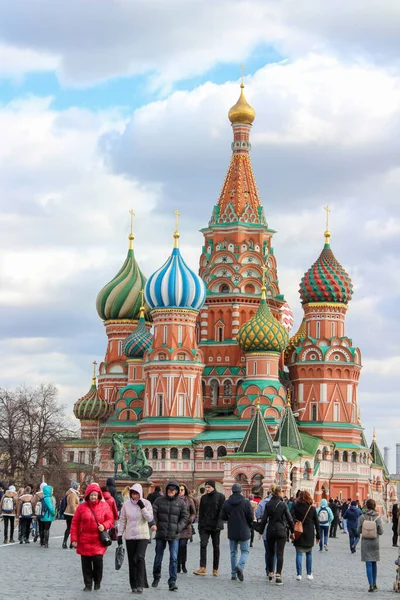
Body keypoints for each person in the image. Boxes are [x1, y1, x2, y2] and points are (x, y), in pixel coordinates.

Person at [70, 482, 114, 592]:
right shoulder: (82, 507)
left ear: (98, 495)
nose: (93, 497)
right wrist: (74, 539)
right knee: (86, 565)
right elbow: (75, 523)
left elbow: (110, 520)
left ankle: (97, 581)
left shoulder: (104, 506)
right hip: (84, 540)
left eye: (95, 495)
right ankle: (88, 584)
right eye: (91, 495)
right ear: (88, 495)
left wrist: (104, 526)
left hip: (98, 540)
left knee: (98, 562)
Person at [152, 481, 188, 592]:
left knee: (174, 558)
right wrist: (154, 523)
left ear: (176, 491)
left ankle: (172, 582)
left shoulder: (181, 503)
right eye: (169, 490)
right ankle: (156, 577)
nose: (171, 492)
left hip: (174, 534)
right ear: (167, 490)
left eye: (173, 490)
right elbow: (153, 514)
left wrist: (178, 528)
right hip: (161, 533)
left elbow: (184, 518)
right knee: (158, 558)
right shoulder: (159, 501)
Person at [118, 483, 155, 593]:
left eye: (136, 494)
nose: (135, 496)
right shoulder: (126, 505)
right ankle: (133, 584)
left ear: (140, 494)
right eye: (133, 494)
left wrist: (142, 507)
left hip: (143, 535)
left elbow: (149, 518)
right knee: (131, 560)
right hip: (130, 536)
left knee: (139, 558)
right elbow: (123, 520)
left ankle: (140, 584)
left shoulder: (146, 503)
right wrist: (120, 534)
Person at [257, 485, 294, 586]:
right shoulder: (283, 504)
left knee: (270, 553)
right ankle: (278, 576)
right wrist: (293, 531)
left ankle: (270, 574)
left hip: (270, 530)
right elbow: (289, 518)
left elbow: (264, 519)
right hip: (281, 530)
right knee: (280, 553)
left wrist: (260, 532)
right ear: (280, 492)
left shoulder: (268, 504)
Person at [220, 483, 253, 582]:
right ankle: (239, 566)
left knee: (233, 552)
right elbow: (250, 517)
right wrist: (250, 525)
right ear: (241, 491)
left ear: (232, 491)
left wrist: (230, 517)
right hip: (244, 529)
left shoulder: (227, 502)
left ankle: (233, 574)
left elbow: (223, 516)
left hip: (232, 529)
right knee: (245, 551)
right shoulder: (246, 502)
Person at [193, 480, 225, 577]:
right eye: (206, 487)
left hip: (216, 527)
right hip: (205, 526)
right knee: (203, 545)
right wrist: (200, 525)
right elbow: (201, 512)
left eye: (209, 487)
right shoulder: (204, 498)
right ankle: (202, 567)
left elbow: (221, 512)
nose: (207, 489)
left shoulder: (220, 497)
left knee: (216, 547)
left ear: (213, 487)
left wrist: (219, 525)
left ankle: (215, 569)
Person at [292, 490, 320, 581]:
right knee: (309, 553)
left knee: (299, 553)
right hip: (309, 533)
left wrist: (294, 524)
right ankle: (309, 573)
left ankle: (299, 574)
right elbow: (316, 522)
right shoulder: (312, 508)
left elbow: (290, 517)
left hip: (298, 532)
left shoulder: (296, 506)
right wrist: (318, 536)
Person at [357, 498, 383, 593]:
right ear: (374, 506)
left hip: (365, 542)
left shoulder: (362, 517)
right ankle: (375, 583)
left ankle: (370, 585)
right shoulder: (377, 517)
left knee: (368, 563)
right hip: (375, 542)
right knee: (374, 562)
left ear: (366, 506)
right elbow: (381, 531)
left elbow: (358, 530)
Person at [256, 485, 275, 576]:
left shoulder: (263, 502)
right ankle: (273, 569)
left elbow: (258, 514)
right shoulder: (280, 502)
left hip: (265, 529)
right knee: (274, 551)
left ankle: (268, 569)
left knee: (268, 551)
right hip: (276, 529)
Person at [177, 484, 196, 574]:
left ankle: (183, 564)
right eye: (179, 490)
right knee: (176, 547)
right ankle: (177, 565)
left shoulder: (189, 500)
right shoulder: (174, 500)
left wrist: (191, 519)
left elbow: (193, 512)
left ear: (185, 491)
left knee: (183, 546)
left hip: (186, 527)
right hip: (176, 527)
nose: (180, 491)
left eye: (182, 490)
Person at [63, 481, 80, 549]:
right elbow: (73, 505)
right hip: (71, 513)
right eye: (78, 487)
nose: (79, 488)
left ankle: (67, 543)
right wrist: (77, 514)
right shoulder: (73, 494)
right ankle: (70, 543)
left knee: (69, 528)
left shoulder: (72, 493)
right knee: (72, 529)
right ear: (75, 487)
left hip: (68, 513)